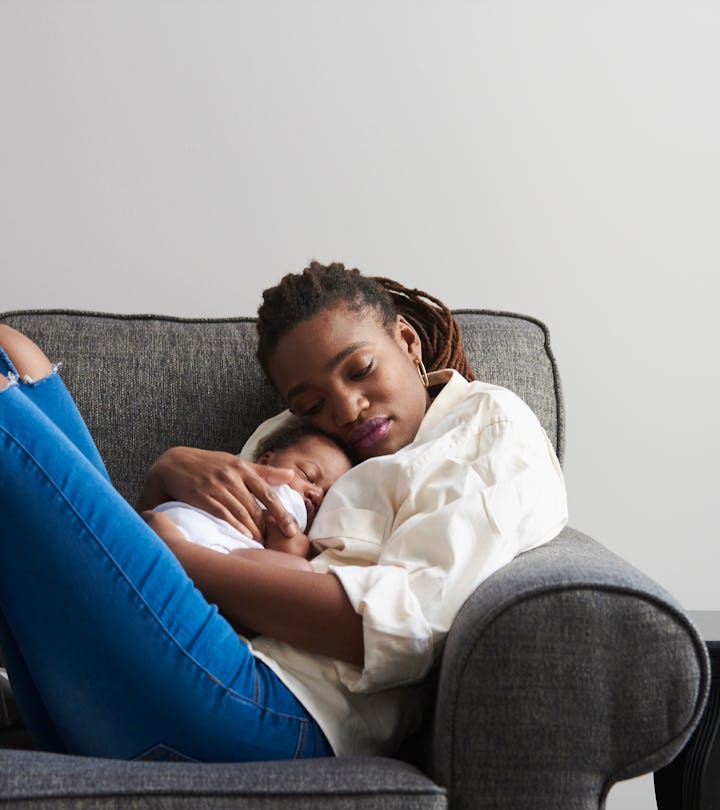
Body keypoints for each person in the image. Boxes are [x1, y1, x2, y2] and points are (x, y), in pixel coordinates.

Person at [0, 261, 567, 763]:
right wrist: (165, 475)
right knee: (14, 351)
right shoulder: (294, 441)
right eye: (312, 403)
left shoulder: (485, 427)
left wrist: (172, 553)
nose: (346, 408)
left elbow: (394, 630)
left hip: (269, 707)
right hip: (170, 674)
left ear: (407, 340)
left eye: (361, 368)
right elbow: (220, 557)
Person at [144, 422, 352, 571]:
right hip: (183, 534)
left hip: (205, 556)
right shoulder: (258, 486)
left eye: (326, 496)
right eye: (307, 475)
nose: (316, 494)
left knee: (296, 568)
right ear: (265, 461)